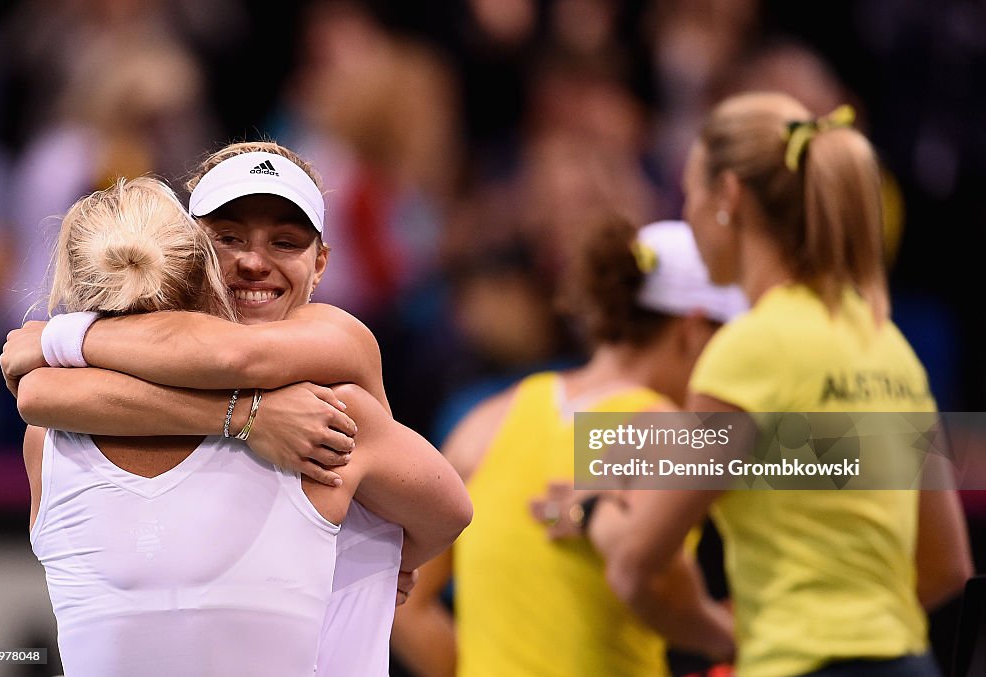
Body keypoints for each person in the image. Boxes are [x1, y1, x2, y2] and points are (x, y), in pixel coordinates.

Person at [4, 147, 472, 675]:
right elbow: (39, 397)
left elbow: (236, 356)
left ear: (321, 263)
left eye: (286, 242)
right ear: (190, 251)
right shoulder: (61, 417)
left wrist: (61, 335)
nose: (253, 261)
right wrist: (249, 417)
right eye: (228, 239)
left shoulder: (337, 350)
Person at [583, 92, 972, 677]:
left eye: (689, 193)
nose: (686, 213)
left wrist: (597, 505)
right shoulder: (887, 343)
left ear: (727, 199)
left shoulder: (749, 349)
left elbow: (638, 562)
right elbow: (946, 566)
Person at [391, 217, 744, 676]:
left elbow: (403, 599)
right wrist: (728, 637)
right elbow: (659, 583)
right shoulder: (671, 432)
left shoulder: (484, 423)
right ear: (695, 331)